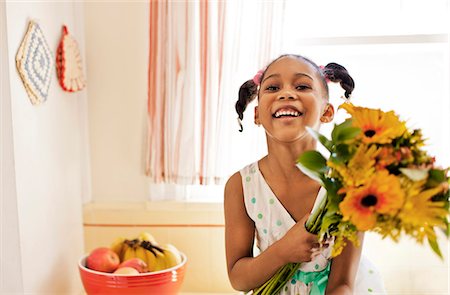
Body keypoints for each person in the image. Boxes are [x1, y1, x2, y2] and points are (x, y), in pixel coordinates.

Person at [224, 54, 386, 294]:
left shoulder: (348, 182)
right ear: (257, 115)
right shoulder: (240, 186)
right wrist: (283, 250)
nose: (286, 93)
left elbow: (342, 283)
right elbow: (239, 279)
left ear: (327, 112)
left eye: (302, 86)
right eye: (273, 87)